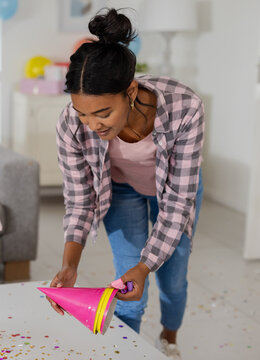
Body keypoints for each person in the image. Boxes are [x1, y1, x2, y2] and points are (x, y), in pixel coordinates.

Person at [48, 8, 204, 360]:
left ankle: (169, 336)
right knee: (127, 281)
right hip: (120, 190)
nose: (92, 125)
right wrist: (70, 264)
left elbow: (178, 203)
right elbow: (79, 200)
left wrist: (148, 266)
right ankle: (125, 353)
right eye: (83, 113)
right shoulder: (70, 125)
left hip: (174, 191)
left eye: (103, 113)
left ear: (130, 91)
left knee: (172, 281)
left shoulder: (185, 107)